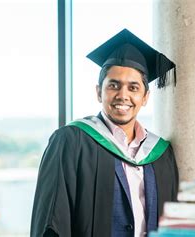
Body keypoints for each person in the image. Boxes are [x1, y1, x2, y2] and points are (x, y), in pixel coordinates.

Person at [31, 29, 179, 237]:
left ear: (145, 97)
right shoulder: (70, 142)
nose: (123, 95)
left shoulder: (161, 154)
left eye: (133, 88)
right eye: (113, 85)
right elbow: (51, 222)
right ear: (99, 92)